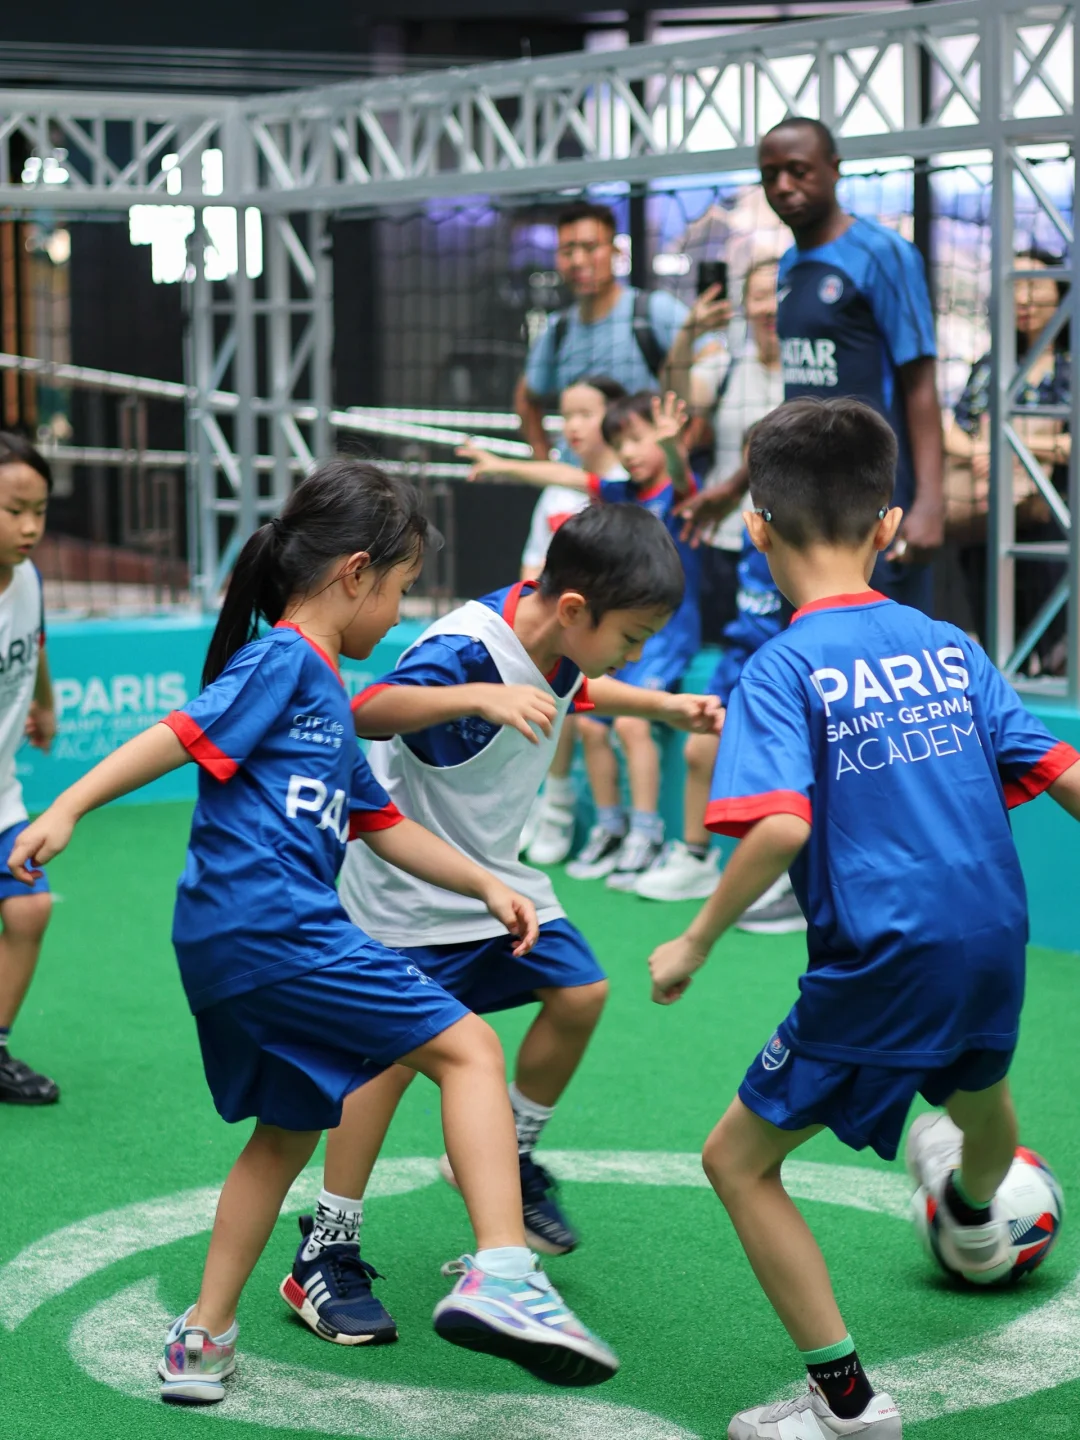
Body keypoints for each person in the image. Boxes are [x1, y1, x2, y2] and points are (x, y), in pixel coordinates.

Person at [9, 461, 620, 1402]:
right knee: (466, 1050)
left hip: (233, 943)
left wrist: (489, 886)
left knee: (285, 1132)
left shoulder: (326, 690)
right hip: (275, 927)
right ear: (356, 574)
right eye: (404, 587)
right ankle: (504, 1272)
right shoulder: (287, 659)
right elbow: (177, 733)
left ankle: (202, 1339)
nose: (403, 611)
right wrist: (71, 809)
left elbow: (381, 822)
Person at [647, 397, 1080, 1439]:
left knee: (736, 1162)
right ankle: (975, 1216)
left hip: (882, 957)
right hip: (992, 936)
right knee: (979, 1092)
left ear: (756, 528)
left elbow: (782, 830)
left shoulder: (779, 667)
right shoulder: (949, 644)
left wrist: (694, 940)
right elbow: (1065, 777)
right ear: (891, 524)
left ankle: (845, 1405)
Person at [279, 503, 722, 1348]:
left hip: (496, 881)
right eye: (634, 637)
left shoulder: (556, 633)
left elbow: (578, 681)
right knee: (389, 1067)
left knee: (580, 991)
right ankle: (326, 1246)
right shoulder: (464, 649)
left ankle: (504, 1158)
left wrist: (663, 706)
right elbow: (366, 710)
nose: (635, 652)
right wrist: (477, 694)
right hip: (410, 891)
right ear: (574, 610)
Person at [682, 118, 945, 616]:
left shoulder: (883, 254)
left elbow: (920, 382)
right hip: (803, 497)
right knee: (815, 647)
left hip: (877, 490)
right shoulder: (787, 266)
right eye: (771, 174)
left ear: (834, 170)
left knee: (886, 644)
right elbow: (798, 398)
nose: (784, 186)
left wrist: (930, 502)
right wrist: (736, 485)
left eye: (798, 171)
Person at [464, 391, 700, 887]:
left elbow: (681, 475)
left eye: (639, 440)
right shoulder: (619, 492)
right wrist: (500, 465)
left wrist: (673, 446)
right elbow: (562, 475)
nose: (631, 452)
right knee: (594, 727)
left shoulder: (675, 494)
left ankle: (647, 834)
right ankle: (611, 829)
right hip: (621, 635)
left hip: (664, 637)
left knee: (633, 728)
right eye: (621, 443)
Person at [637, 263, 803, 925]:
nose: (768, 306)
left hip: (801, 554)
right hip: (738, 553)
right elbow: (674, 404)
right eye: (758, 295)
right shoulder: (726, 363)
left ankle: (784, 872)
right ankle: (702, 851)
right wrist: (685, 338)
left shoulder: (813, 366)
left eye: (777, 295)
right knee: (723, 714)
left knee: (778, 716)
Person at [516, 375, 628, 866]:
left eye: (586, 414)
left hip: (599, 635)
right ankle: (546, 804)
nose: (574, 426)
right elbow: (531, 565)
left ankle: (567, 816)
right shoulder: (554, 493)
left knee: (571, 710)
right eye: (567, 416)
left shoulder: (627, 484)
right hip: (553, 632)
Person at [943, 248, 1070, 666]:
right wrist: (984, 449)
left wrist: (1011, 448)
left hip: (1056, 528)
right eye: (1015, 288)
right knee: (994, 645)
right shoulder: (991, 365)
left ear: (1062, 291)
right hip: (985, 523)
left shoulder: (1071, 367)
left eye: (1034, 285)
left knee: (1055, 648)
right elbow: (951, 428)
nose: (1023, 299)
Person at [516, 201, 692, 458]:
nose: (578, 260)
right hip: (576, 484)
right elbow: (526, 396)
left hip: (639, 484)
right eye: (567, 251)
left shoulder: (655, 310)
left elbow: (707, 370)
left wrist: (677, 458)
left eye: (590, 247)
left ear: (616, 251)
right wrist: (544, 459)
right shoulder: (557, 330)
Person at [0, 433, 57, 1105]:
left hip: (4, 796)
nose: (31, 526)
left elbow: (33, 639)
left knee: (30, 908)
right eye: (16, 510)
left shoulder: (30, 579)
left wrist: (44, 700)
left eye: (39, 509)